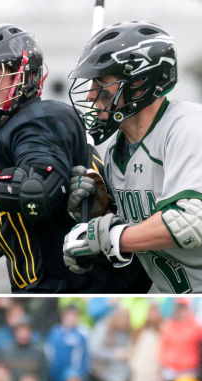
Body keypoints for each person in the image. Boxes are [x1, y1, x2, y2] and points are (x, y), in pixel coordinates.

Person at [0, 24, 132, 293]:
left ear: (23, 77)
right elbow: (11, 239)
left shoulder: (40, 119)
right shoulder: (5, 134)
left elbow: (37, 191)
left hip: (83, 289)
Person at [63, 21, 202, 293]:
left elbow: (191, 222)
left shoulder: (188, 127)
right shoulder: (117, 153)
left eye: (102, 83)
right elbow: (140, 228)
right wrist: (97, 213)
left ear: (139, 84)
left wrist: (109, 236)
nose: (91, 94)